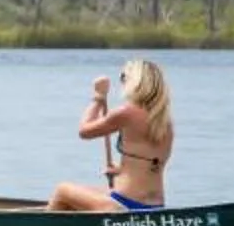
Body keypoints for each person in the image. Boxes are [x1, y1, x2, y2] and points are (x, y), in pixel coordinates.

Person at [50, 58, 174, 212]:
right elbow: (149, 165)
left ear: (135, 82)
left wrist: (98, 97)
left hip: (124, 203)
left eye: (123, 77)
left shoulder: (126, 113)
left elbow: (84, 131)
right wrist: (120, 171)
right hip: (155, 205)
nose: (122, 83)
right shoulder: (164, 122)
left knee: (63, 190)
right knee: (81, 197)